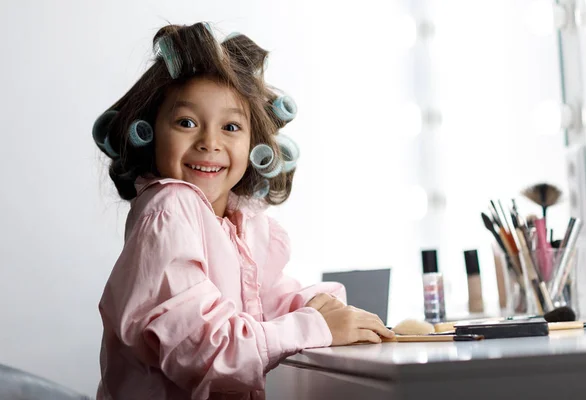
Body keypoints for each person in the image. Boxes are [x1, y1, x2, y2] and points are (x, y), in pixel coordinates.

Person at [93, 22, 394, 400]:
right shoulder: (171, 208)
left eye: (231, 126)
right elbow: (205, 350)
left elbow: (272, 301)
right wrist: (317, 325)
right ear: (152, 131)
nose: (210, 142)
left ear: (254, 142)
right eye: (186, 122)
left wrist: (324, 309)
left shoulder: (240, 222)